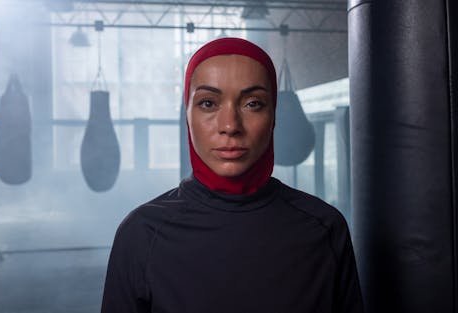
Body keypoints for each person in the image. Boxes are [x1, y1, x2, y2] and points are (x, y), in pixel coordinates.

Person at [101, 37, 363, 313]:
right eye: (208, 103)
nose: (230, 125)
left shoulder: (325, 228)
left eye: (252, 104)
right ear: (186, 115)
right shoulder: (142, 234)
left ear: (273, 114)